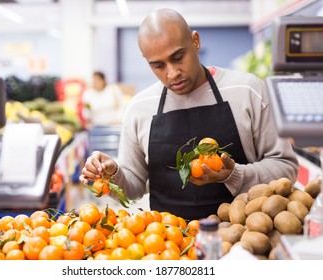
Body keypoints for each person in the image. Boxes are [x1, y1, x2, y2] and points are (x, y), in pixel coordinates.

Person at [80, 9, 299, 220]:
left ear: (195, 41)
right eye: (158, 66)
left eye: (178, 57)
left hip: (243, 239)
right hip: (167, 245)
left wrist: (234, 175)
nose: (172, 73)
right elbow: (134, 185)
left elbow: (285, 168)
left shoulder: (247, 90)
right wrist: (113, 175)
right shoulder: (140, 107)